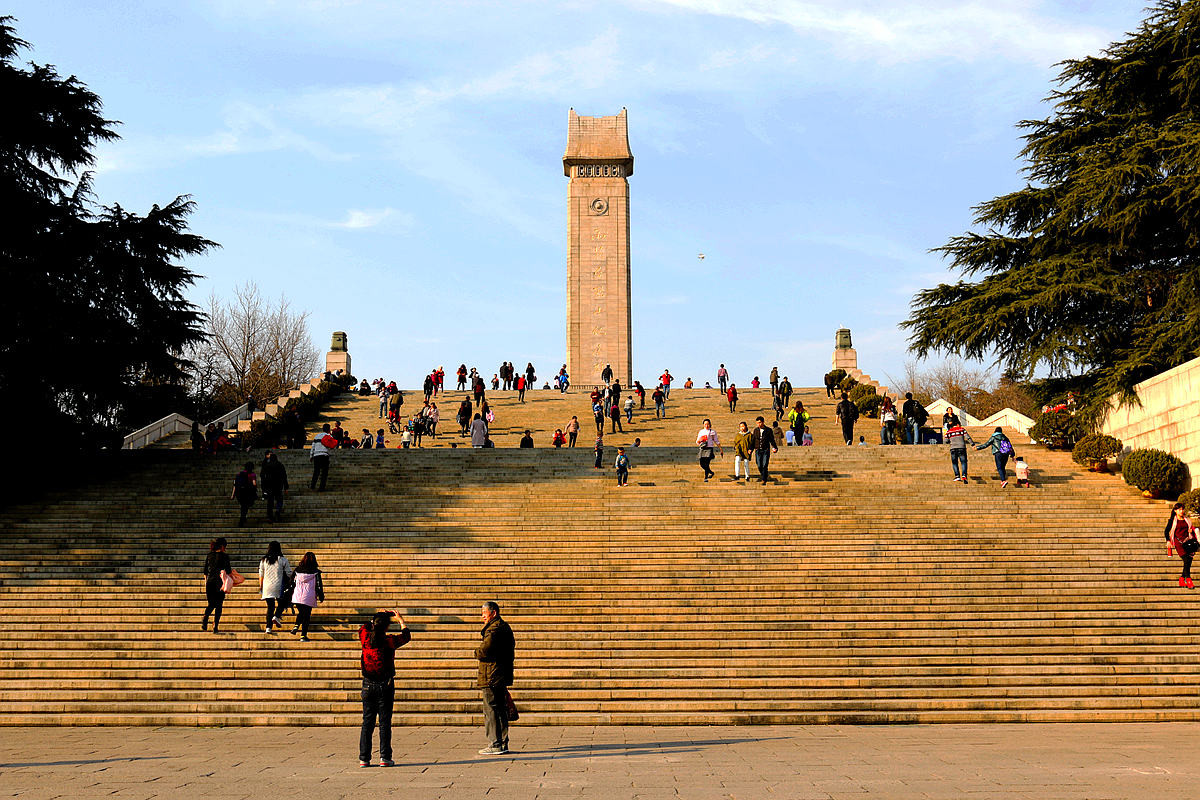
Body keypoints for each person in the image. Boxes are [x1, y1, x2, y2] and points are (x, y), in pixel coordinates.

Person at [359, 610, 411, 768]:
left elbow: (363, 627)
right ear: (387, 626)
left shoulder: (365, 638)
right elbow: (406, 636)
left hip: (368, 684)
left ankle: (364, 758)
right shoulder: (388, 640)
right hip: (385, 685)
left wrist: (378, 616)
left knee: (367, 722)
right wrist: (400, 620)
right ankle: (384, 757)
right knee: (384, 722)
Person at [476, 601, 515, 755]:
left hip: (491, 675)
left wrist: (476, 652)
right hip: (499, 674)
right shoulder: (504, 627)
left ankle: (494, 743)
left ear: (493, 613)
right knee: (500, 710)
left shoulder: (494, 629)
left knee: (491, 710)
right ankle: (502, 743)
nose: (482, 617)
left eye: (484, 613)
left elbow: (485, 650)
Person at [258, 541, 292, 634]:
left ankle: (268, 627)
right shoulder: (282, 560)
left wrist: (261, 587)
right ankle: (276, 617)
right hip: (278, 586)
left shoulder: (263, 560)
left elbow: (261, 574)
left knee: (270, 608)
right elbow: (289, 573)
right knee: (282, 603)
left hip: (267, 586)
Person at [291, 551, 324, 642]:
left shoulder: (297, 570)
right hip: (308, 596)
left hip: (297, 596)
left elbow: (291, 583)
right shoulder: (316, 572)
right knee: (306, 616)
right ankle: (303, 635)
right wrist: (321, 595)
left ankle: (296, 625)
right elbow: (319, 585)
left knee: (301, 612)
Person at [202, 537, 232, 634]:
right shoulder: (225, 556)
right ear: (222, 546)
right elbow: (228, 571)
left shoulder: (209, 556)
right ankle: (215, 625)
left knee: (211, 604)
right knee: (219, 605)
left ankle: (206, 616)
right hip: (220, 583)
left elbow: (205, 571)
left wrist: (206, 582)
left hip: (209, 583)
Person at [1165, 503, 1198, 588]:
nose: (1181, 511)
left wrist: (1191, 531)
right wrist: (1168, 540)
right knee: (1186, 560)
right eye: (1179, 509)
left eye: (1182, 509)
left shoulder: (1187, 519)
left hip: (1188, 542)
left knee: (1189, 560)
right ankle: (1189, 579)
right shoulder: (1172, 521)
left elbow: (1192, 528)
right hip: (1178, 543)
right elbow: (1166, 531)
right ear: (1175, 511)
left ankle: (1182, 578)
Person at [260, 450, 288, 523]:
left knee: (270, 502)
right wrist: (286, 486)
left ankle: (270, 516)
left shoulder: (267, 466)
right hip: (278, 486)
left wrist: (263, 488)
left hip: (269, 486)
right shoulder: (280, 465)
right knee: (279, 500)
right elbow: (284, 476)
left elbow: (263, 477)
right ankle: (278, 510)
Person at [750, 416, 778, 484]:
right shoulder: (755, 430)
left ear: (763, 422)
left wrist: (775, 447)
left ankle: (764, 479)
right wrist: (750, 449)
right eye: (757, 423)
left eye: (760, 422)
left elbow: (772, 440)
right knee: (759, 465)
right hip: (758, 450)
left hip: (766, 450)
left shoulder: (768, 430)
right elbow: (753, 440)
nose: (758, 424)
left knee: (765, 465)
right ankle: (764, 475)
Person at [231, 461, 257, 527]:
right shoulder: (252, 475)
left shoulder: (239, 474)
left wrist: (233, 495)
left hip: (240, 493)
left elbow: (235, 485)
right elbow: (254, 484)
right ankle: (242, 518)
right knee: (245, 506)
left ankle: (243, 517)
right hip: (248, 493)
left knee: (243, 506)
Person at [310, 423, 334, 491]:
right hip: (324, 455)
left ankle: (312, 485)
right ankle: (321, 487)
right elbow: (331, 447)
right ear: (329, 429)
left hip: (316, 455)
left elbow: (313, 447)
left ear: (322, 429)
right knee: (324, 472)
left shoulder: (317, 436)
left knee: (316, 471)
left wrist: (311, 456)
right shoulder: (329, 436)